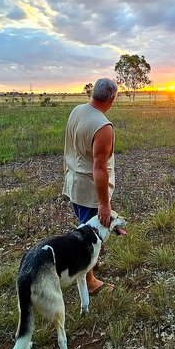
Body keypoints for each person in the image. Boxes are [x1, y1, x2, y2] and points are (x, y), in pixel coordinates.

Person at [62, 77, 118, 294]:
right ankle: (90, 281)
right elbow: (100, 168)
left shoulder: (77, 110)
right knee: (89, 235)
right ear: (112, 98)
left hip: (75, 183)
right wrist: (104, 203)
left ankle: (90, 267)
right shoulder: (103, 126)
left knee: (83, 227)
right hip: (90, 191)